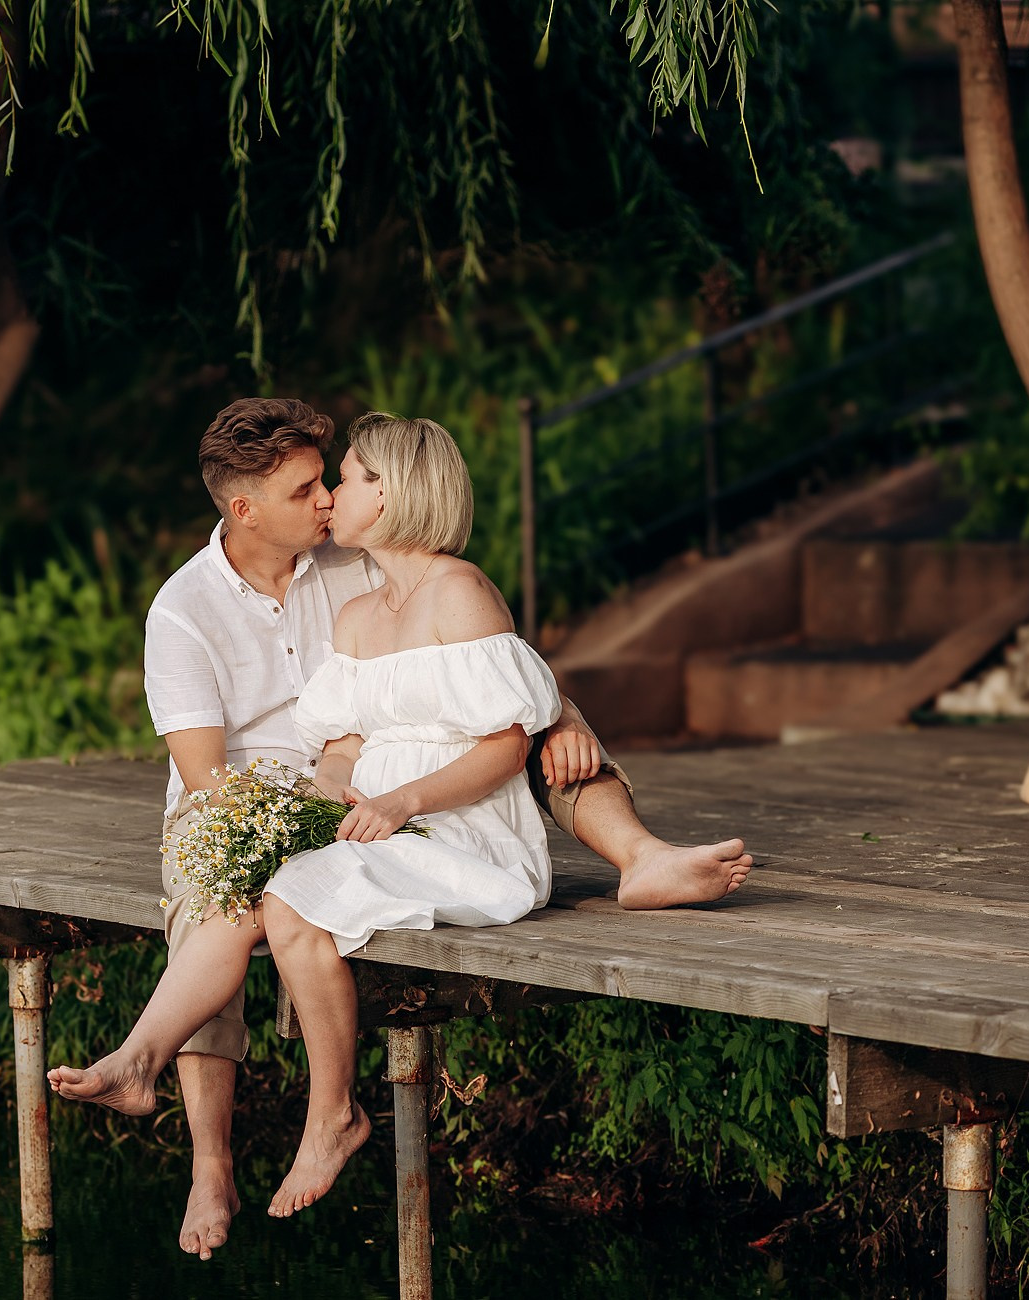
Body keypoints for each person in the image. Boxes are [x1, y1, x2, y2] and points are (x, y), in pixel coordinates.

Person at [52, 401, 752, 1255]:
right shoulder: (187, 611)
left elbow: (494, 672)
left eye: (333, 481)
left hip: (411, 802)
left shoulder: (359, 571)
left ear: (386, 498)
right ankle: (201, 1150)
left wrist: (557, 712)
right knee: (223, 901)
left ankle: (643, 856)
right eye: (309, 487)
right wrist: (310, 808)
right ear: (244, 510)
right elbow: (218, 778)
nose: (323, 499)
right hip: (251, 798)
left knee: (551, 737)